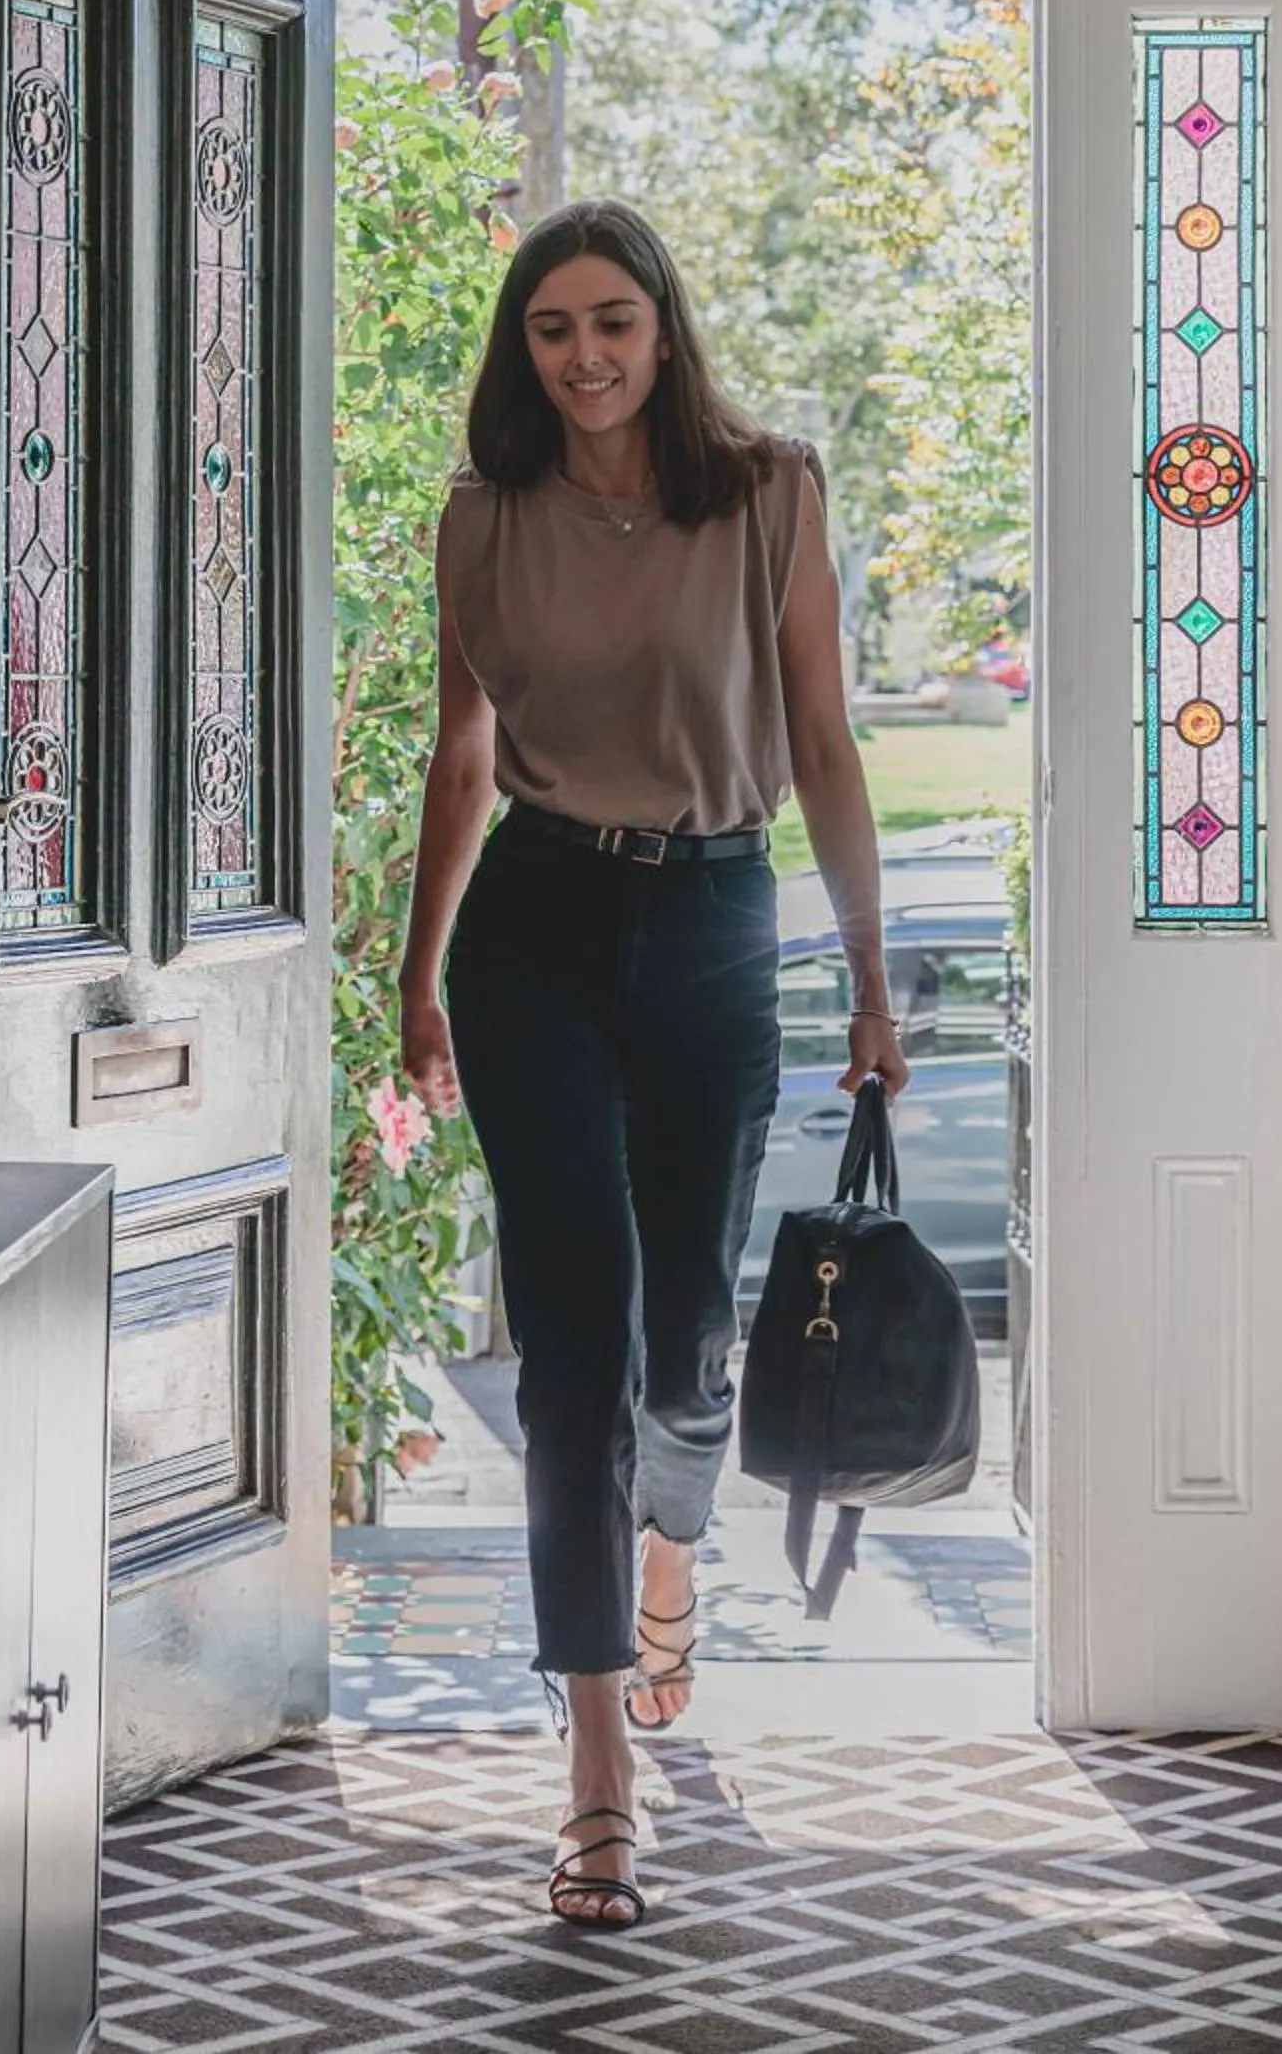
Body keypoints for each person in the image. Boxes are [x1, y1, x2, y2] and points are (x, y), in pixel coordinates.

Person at [397, 198, 907, 1930]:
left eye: (612, 322)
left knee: (688, 1336)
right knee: (570, 1347)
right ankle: (595, 1758)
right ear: (521, 348)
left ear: (662, 329)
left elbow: (823, 739)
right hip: (532, 930)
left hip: (709, 922)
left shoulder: (767, 494)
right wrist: (417, 975)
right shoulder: (483, 518)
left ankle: (669, 1548)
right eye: (551, 329)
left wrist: (867, 977)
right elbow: (462, 757)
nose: (584, 356)